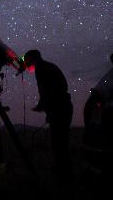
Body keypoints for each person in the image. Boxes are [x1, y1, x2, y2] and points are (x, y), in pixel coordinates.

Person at [23, 49, 73, 179]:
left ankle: (64, 174)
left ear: (32, 58)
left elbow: (44, 90)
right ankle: (64, 171)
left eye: (26, 59)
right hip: (62, 106)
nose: (24, 62)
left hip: (59, 108)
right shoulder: (48, 66)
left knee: (58, 143)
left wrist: (41, 106)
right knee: (61, 142)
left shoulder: (41, 69)